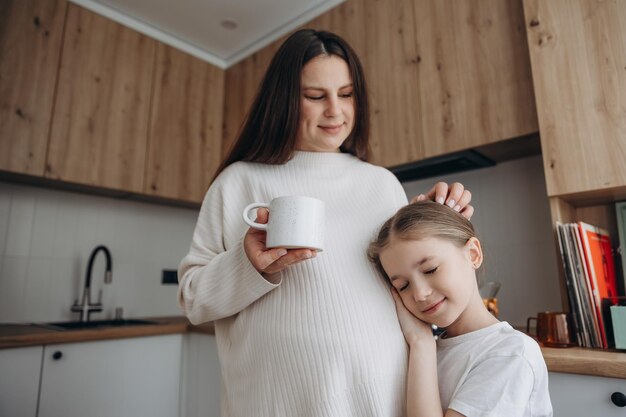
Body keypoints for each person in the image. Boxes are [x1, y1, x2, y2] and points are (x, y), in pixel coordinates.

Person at [178, 28, 473, 417]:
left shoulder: (381, 183)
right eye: (315, 97)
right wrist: (248, 264)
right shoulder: (238, 181)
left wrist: (436, 230)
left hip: (381, 395)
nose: (335, 110)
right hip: (277, 401)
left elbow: (411, 288)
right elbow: (193, 300)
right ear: (285, 100)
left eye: (347, 94)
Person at [367, 201, 553, 417]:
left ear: (473, 254)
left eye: (430, 269)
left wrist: (422, 344)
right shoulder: (427, 351)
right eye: (403, 286)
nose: (419, 294)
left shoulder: (510, 354)